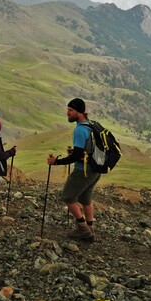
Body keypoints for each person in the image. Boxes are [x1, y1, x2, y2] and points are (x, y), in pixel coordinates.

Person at [47, 98, 99, 241]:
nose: (67, 113)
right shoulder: (91, 125)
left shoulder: (80, 130)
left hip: (83, 171)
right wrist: (76, 152)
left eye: (71, 110)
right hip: (95, 170)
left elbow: (76, 157)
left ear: (79, 112)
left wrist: (56, 162)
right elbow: (84, 151)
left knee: (68, 197)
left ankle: (84, 230)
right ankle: (90, 229)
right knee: (85, 198)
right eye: (68, 110)